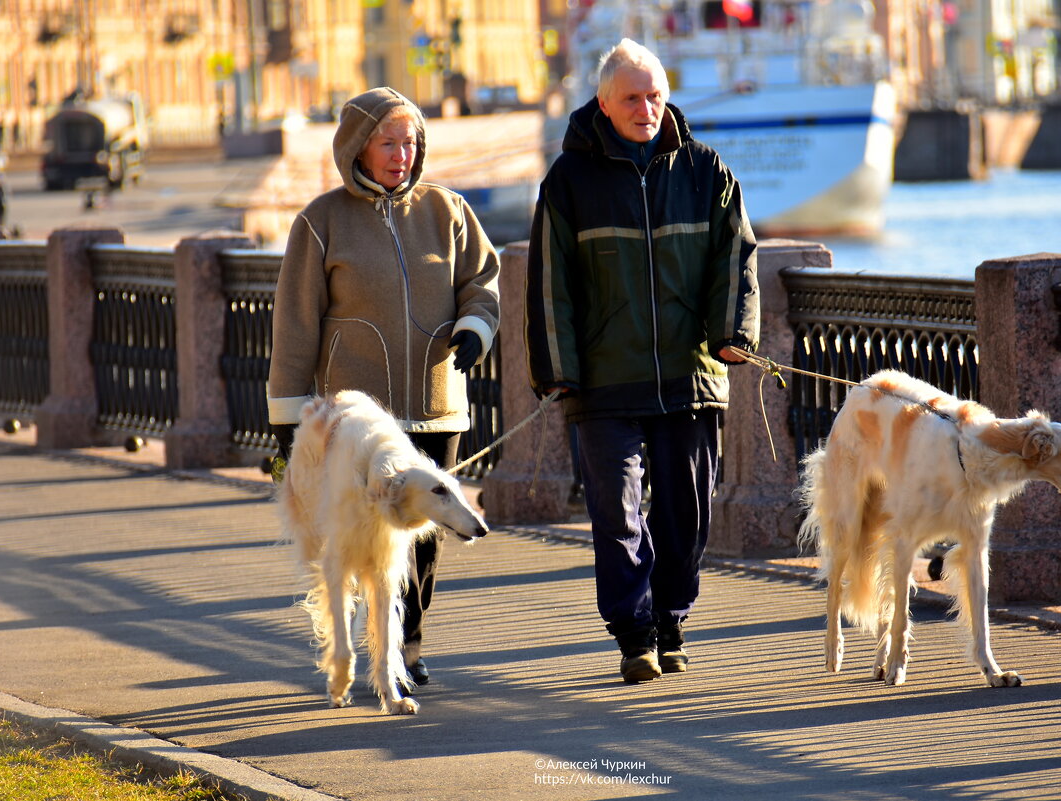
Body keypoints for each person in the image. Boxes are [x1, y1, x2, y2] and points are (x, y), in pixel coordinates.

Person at [524, 39, 760, 683]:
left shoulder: (705, 169)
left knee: (686, 513)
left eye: (655, 94)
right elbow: (550, 282)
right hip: (602, 383)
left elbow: (736, 257)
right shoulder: (569, 181)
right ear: (603, 102)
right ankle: (634, 634)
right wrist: (556, 370)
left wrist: (733, 334)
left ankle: (671, 619)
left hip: (691, 376)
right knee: (617, 513)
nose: (647, 107)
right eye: (632, 97)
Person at [268, 87, 500, 689]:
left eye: (410, 142)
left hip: (435, 408)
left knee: (424, 543)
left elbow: (482, 280)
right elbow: (295, 323)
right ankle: (370, 651)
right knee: (357, 543)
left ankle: (405, 647)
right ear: (358, 148)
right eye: (388, 142)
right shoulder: (320, 222)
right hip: (356, 428)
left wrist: (475, 329)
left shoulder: (446, 211)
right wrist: (288, 417)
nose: (402, 154)